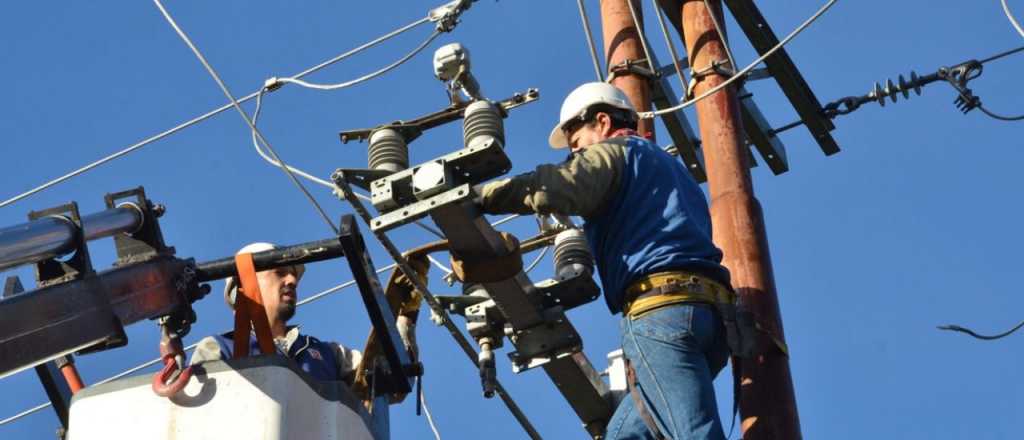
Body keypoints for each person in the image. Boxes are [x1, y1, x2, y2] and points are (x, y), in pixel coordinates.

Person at [474, 82, 734, 439]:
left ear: (602, 121)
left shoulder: (617, 152)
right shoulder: (667, 169)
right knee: (627, 435)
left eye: (576, 142)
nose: (573, 152)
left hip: (661, 312)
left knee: (694, 433)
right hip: (710, 320)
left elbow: (562, 184)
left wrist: (478, 196)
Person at [190, 242, 367, 384]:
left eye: (293, 275)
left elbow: (378, 373)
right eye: (280, 273)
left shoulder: (332, 354)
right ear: (245, 286)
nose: (292, 281)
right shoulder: (219, 348)